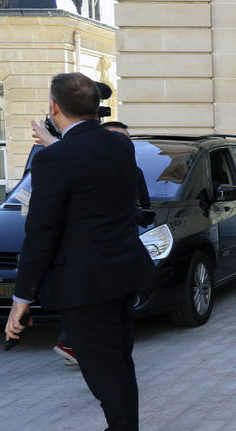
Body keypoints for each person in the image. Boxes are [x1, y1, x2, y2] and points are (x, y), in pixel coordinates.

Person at [7, 73, 154, 431]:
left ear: (54, 109)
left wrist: (22, 298)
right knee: (118, 370)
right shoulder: (118, 145)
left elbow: (41, 233)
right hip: (123, 277)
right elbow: (88, 173)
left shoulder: (56, 159)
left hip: (88, 286)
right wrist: (56, 148)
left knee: (109, 378)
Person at [28, 118, 150, 366]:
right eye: (114, 137)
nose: (119, 144)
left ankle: (86, 350)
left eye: (124, 140)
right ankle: (77, 345)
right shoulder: (73, 164)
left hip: (121, 261)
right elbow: (82, 164)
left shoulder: (130, 171)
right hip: (88, 264)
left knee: (114, 337)